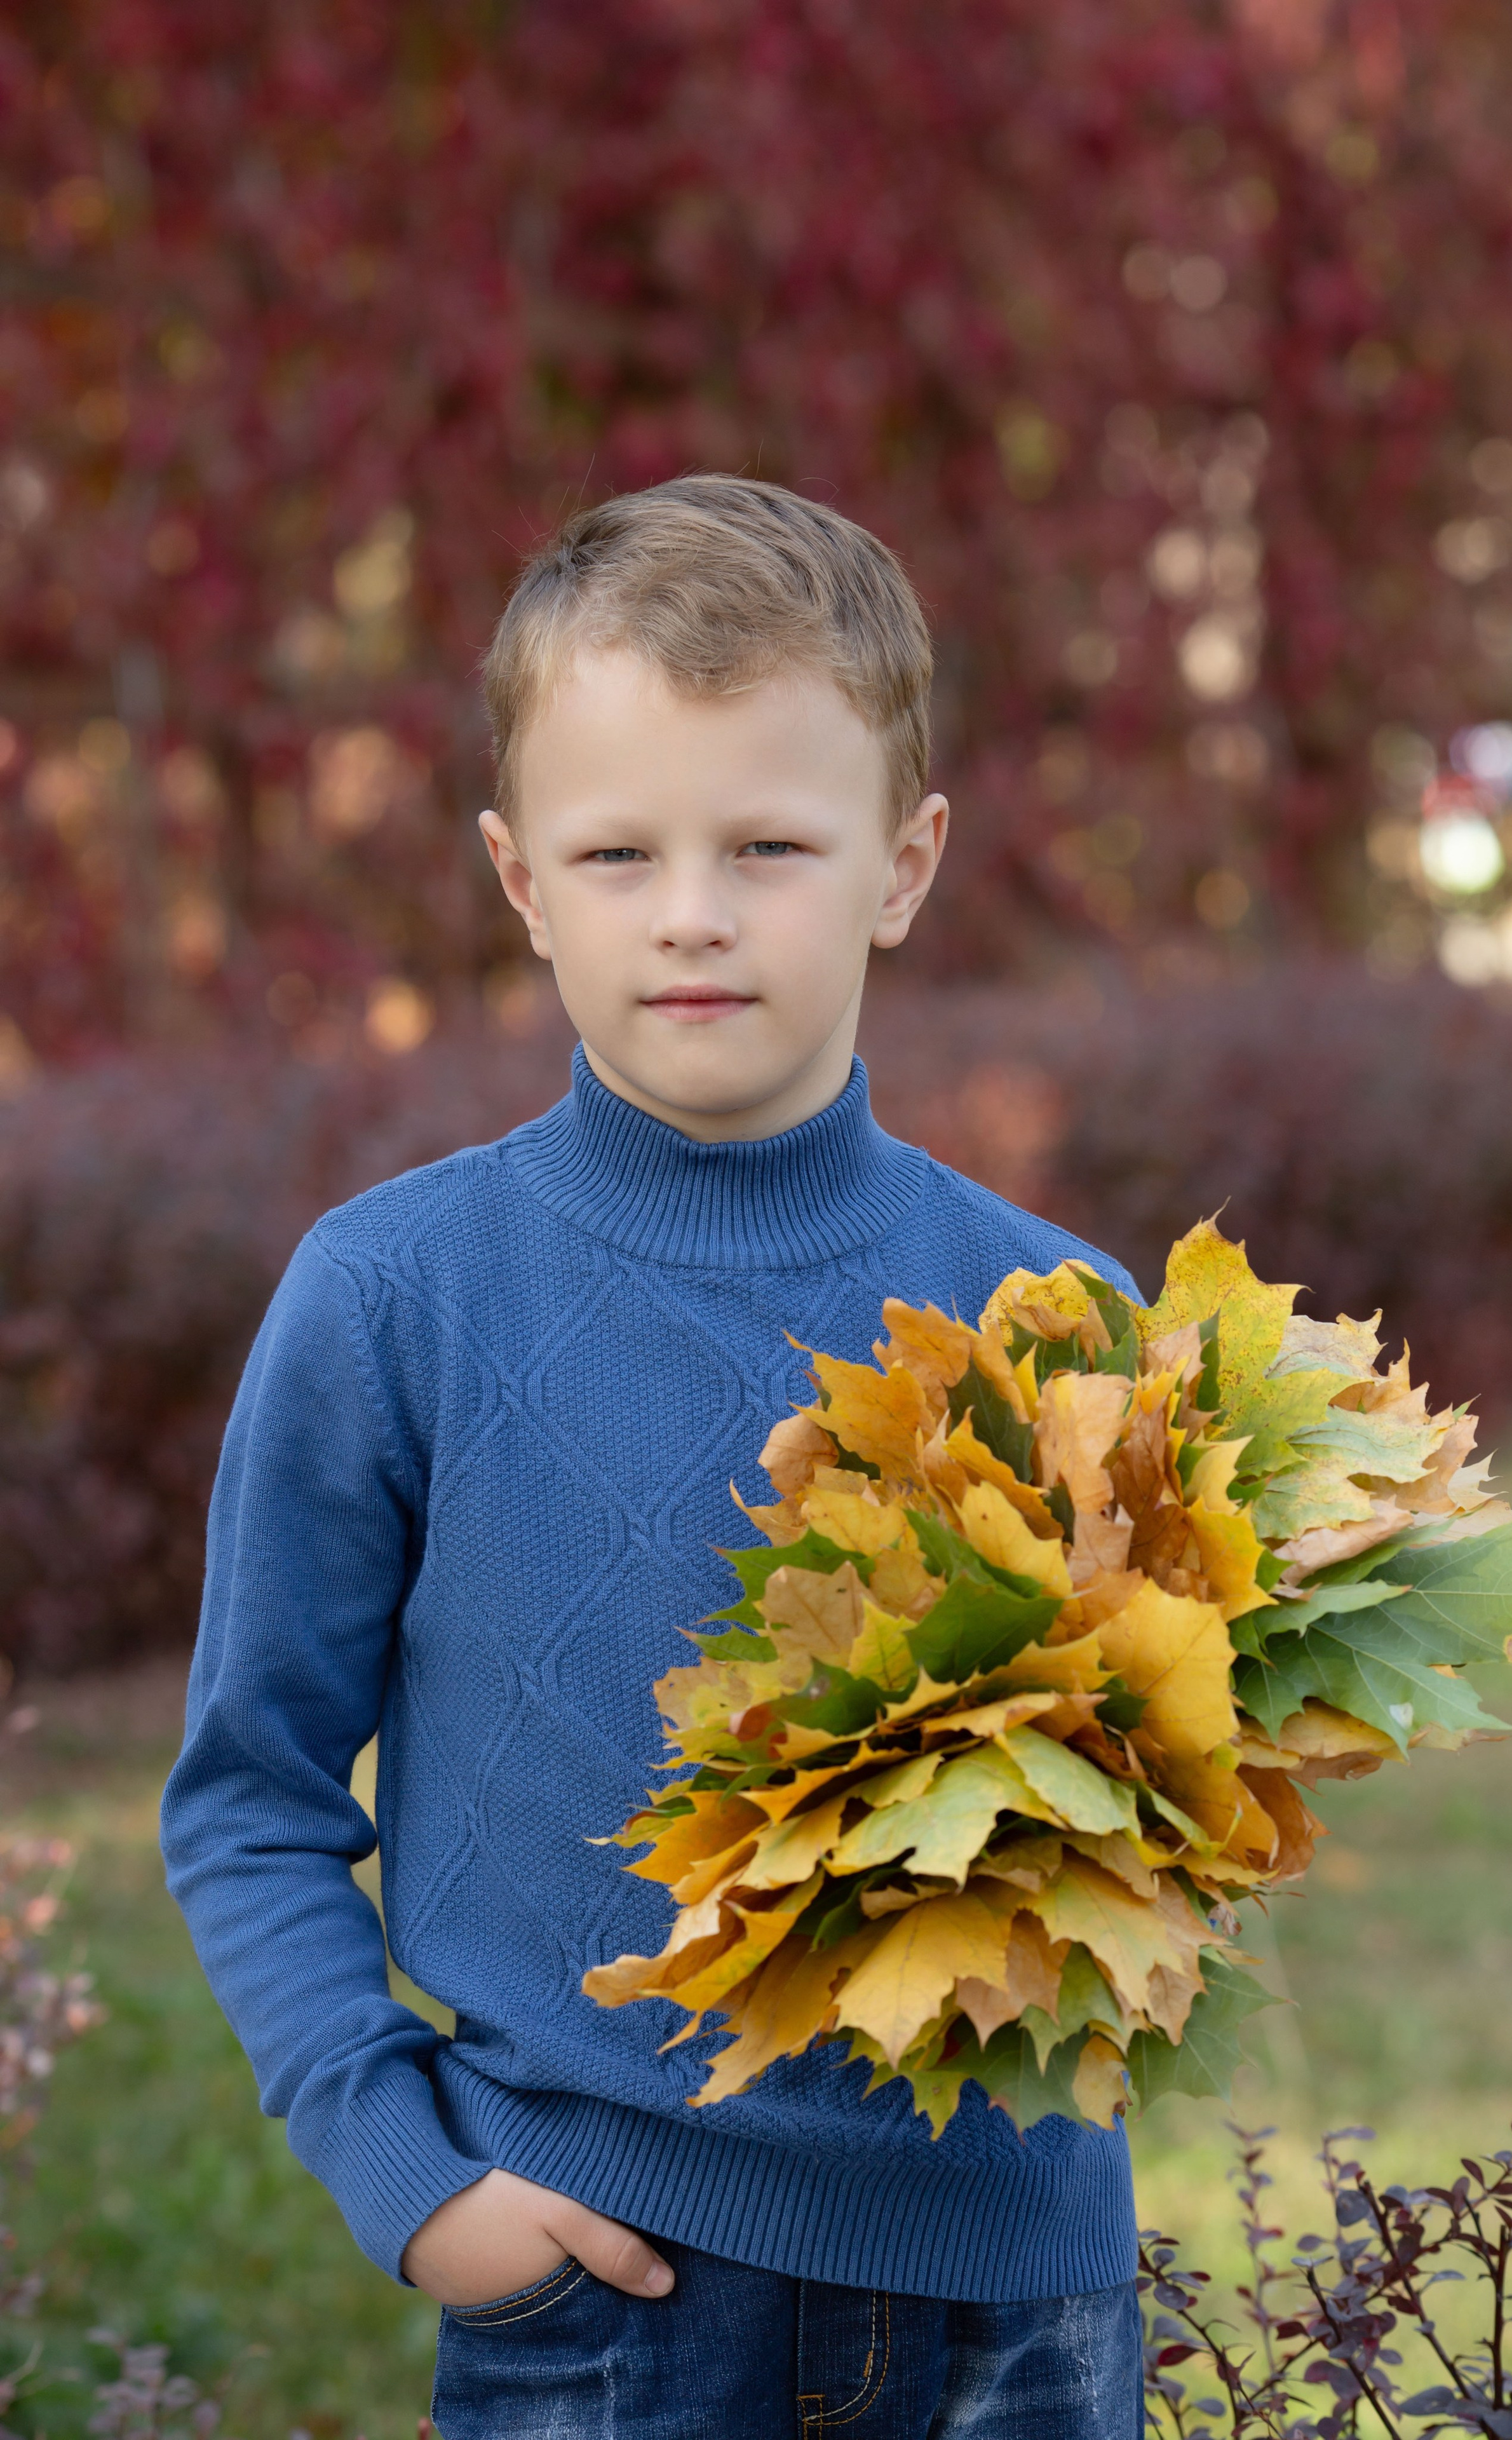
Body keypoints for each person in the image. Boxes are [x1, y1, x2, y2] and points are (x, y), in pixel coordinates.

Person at [161, 476, 1146, 2440]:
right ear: (520, 879)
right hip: (603, 2289)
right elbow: (250, 1792)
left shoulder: (1066, 1317)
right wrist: (418, 2185)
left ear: (906, 862)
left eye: (771, 843)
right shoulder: (392, 1300)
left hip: (1024, 2299)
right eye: (619, 850)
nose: (693, 908)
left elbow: (1158, 1807)